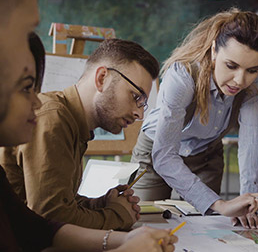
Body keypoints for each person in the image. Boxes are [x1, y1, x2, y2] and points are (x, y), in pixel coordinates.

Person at [0, 31, 178, 251]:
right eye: (135, 97)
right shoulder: (53, 119)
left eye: (143, 104)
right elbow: (50, 217)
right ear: (102, 78)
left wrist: (98, 204)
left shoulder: (73, 125)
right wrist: (117, 215)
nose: (139, 115)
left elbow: (54, 206)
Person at [130, 8, 258, 229]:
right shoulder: (183, 74)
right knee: (143, 225)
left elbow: (251, 138)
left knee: (207, 229)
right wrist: (220, 204)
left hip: (206, 153)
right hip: (156, 154)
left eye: (252, 70)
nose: (240, 80)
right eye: (231, 65)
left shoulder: (256, 78)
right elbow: (165, 156)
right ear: (214, 49)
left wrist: (250, 200)